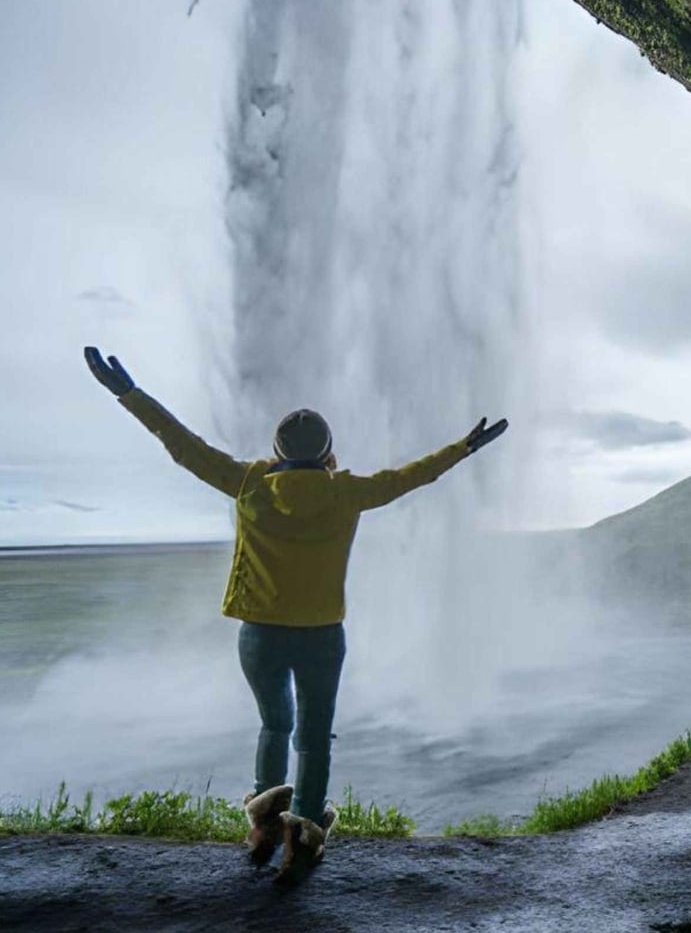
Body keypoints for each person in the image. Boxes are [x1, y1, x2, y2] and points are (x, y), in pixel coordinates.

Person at [83, 347, 506, 884]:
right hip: (322, 635)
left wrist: (129, 394)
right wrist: (463, 448)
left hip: (258, 633)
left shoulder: (248, 483)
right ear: (328, 453)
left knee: (273, 724)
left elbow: (181, 444)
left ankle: (262, 826)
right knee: (313, 733)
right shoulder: (348, 492)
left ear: (276, 450)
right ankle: (302, 841)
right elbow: (411, 476)